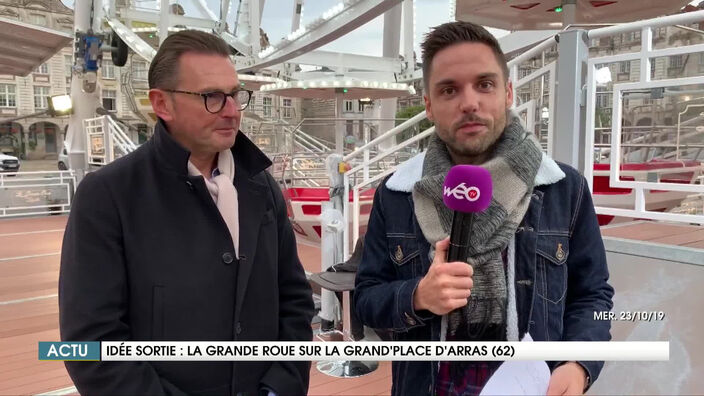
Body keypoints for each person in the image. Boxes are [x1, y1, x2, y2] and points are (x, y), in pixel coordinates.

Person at [354, 21, 614, 396]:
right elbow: (366, 300)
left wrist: (579, 365)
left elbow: (593, 296)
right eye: (449, 90)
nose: (470, 102)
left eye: (485, 84)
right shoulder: (397, 193)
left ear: (507, 92)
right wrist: (418, 297)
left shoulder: (562, 188)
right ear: (428, 105)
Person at [59, 30, 314, 396]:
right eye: (212, 96)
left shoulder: (263, 188)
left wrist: (280, 387)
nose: (231, 110)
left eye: (235, 95)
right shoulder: (108, 196)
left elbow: (294, 299)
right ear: (162, 104)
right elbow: (92, 344)